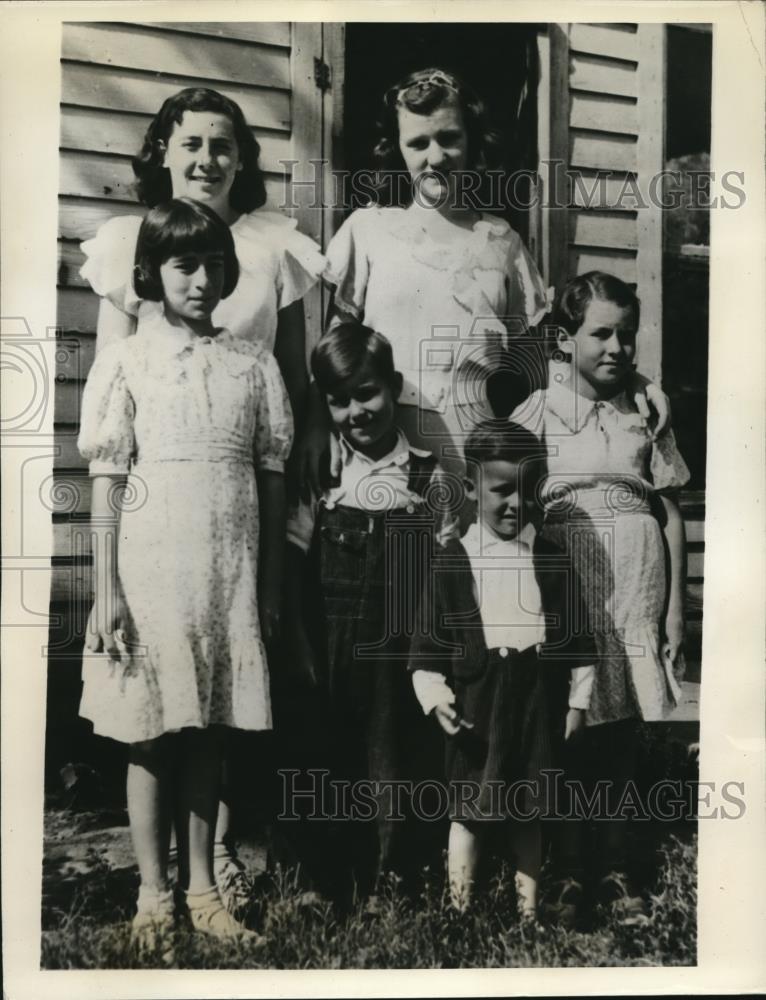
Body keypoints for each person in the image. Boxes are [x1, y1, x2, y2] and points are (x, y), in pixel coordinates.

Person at [79, 85, 324, 915]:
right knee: (151, 721)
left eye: (225, 145)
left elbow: (279, 440)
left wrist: (274, 576)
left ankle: (209, 883)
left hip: (230, 544)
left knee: (211, 718)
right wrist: (104, 586)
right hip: (151, 549)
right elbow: (109, 457)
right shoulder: (127, 321)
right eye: (192, 144)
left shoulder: (255, 334)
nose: (208, 159)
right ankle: (157, 896)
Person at [303, 67, 669, 493]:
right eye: (418, 143)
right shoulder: (367, 230)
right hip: (380, 443)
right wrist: (315, 425)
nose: (435, 157)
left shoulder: (502, 243)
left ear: (472, 139)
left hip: (473, 445)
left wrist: (634, 383)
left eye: (449, 138)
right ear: (397, 148)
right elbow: (333, 352)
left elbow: (542, 369)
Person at [510, 271, 689, 925]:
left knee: (619, 739)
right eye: (601, 333)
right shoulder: (540, 409)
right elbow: (507, 494)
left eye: (628, 335)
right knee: (567, 731)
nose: (617, 347)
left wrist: (674, 611)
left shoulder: (646, 410)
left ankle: (614, 869)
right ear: (564, 340)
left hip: (636, 596)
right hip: (569, 590)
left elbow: (669, 510)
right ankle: (564, 869)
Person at [284, 322, 457, 903]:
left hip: (400, 651)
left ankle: (397, 881)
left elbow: (448, 579)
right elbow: (294, 569)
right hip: (330, 648)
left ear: (396, 387)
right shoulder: (321, 477)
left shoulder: (429, 478)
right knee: (326, 755)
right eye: (338, 401)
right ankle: (323, 882)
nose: (357, 412)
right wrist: (302, 646)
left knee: (395, 763)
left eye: (367, 393)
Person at [408, 419, 595, 919]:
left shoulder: (551, 557)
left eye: (529, 490)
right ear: (471, 488)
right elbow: (427, 644)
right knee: (468, 811)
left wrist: (578, 702)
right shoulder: (453, 559)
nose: (517, 502)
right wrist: (436, 698)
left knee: (528, 812)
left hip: (537, 700)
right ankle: (460, 913)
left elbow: (577, 640)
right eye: (502, 490)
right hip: (476, 705)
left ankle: (528, 914)